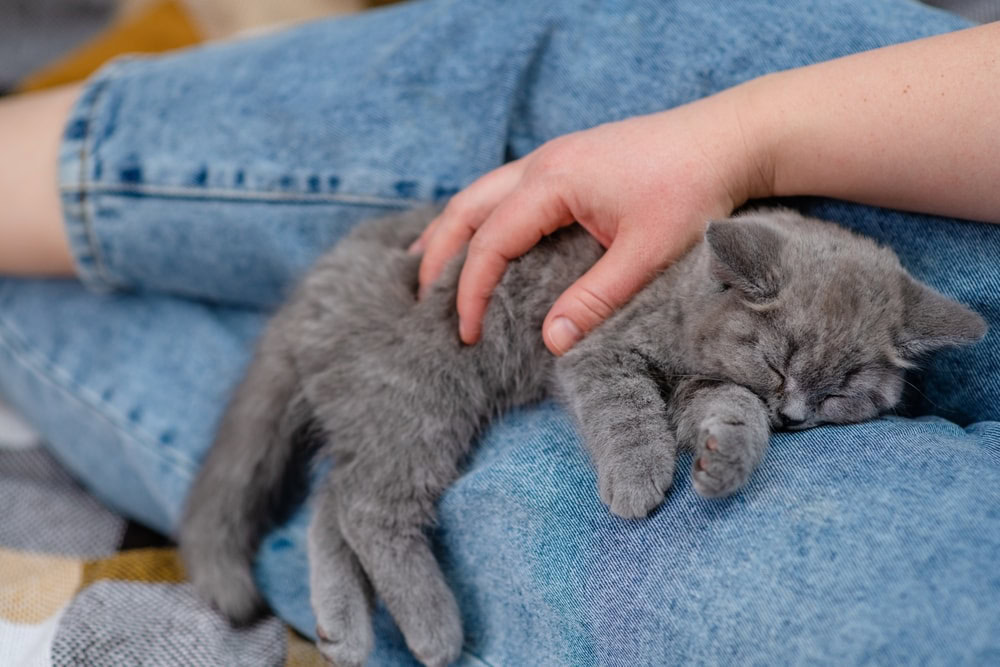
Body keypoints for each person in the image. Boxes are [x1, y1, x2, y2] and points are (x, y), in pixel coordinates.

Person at [0, 1, 997, 663]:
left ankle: (335, 502)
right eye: (784, 383)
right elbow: (602, 351)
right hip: (434, 318)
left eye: (813, 397)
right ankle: (52, 185)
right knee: (647, 64)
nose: (795, 408)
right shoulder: (740, 279)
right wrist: (732, 139)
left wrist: (732, 401)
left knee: (738, 561)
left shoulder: (809, 338)